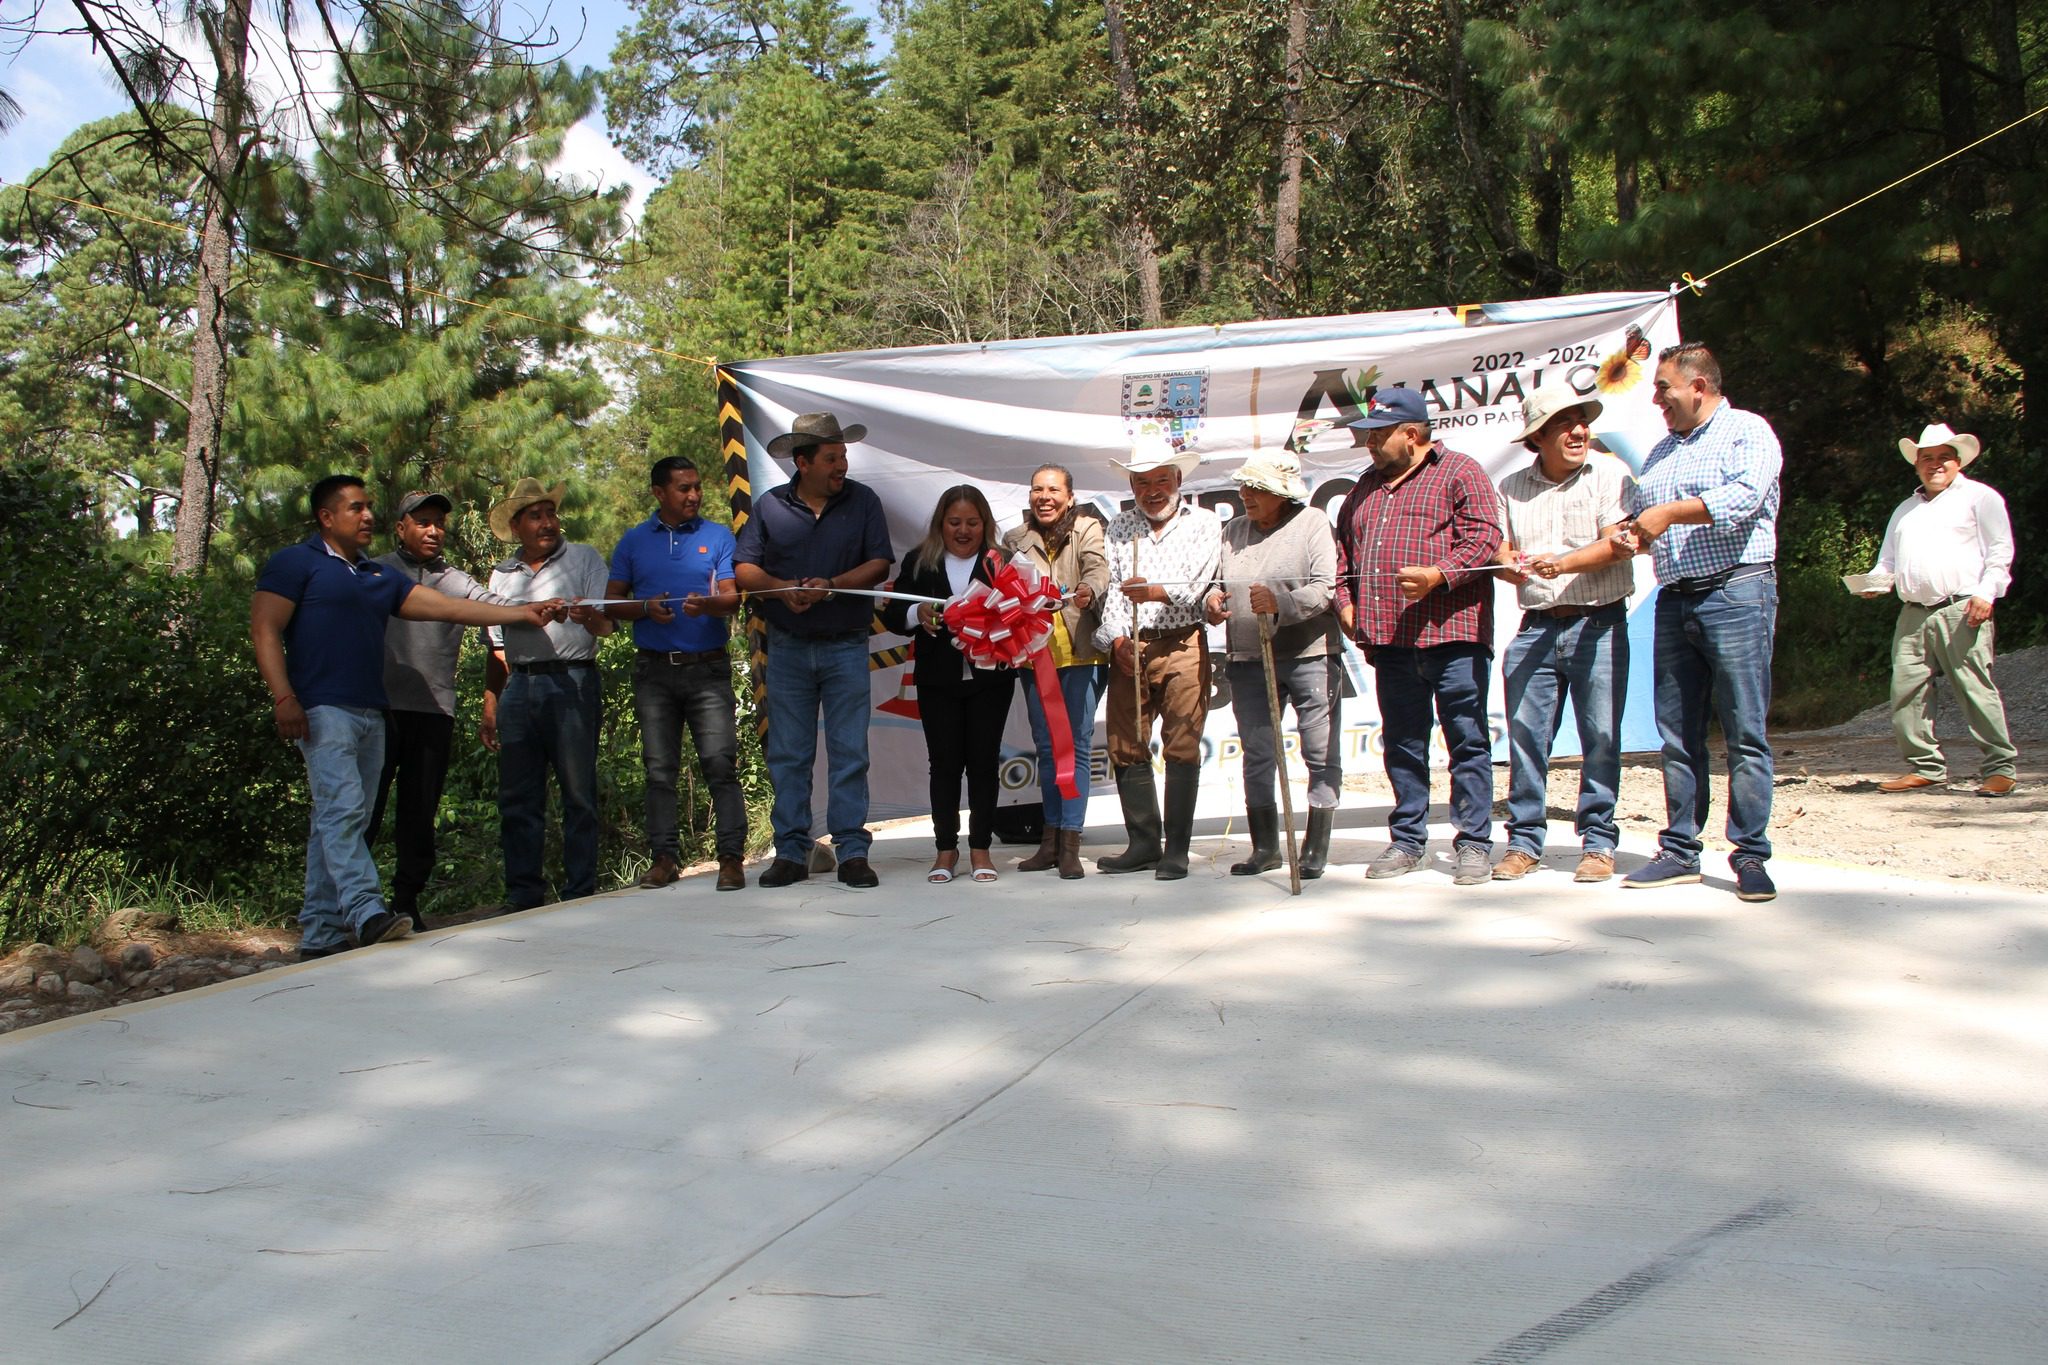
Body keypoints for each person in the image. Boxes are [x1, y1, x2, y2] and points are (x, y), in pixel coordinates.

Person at [251, 475, 558, 960]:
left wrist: (524, 613)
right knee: (345, 810)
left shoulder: (375, 576)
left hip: (373, 712)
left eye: (369, 506)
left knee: (333, 817)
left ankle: (320, 932)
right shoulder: (296, 563)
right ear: (326, 517)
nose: (366, 515)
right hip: (323, 708)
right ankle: (366, 910)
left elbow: (450, 607)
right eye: (355, 508)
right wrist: (284, 697)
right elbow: (265, 628)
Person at [1618, 341, 1782, 902]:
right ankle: (1681, 850)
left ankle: (1751, 856)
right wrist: (1632, 531)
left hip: (1738, 590)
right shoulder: (1660, 451)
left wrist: (1667, 513)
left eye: (1663, 387)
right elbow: (1646, 518)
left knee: (1745, 731)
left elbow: (1745, 497)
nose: (1657, 399)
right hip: (1675, 597)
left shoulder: (1748, 432)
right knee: (1677, 733)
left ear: (1698, 386)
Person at [1332, 386, 1504, 887]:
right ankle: (1408, 840)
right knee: (1403, 742)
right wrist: (1345, 603)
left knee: (1466, 740)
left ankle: (1473, 843)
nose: (1369, 444)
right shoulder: (1364, 487)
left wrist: (1438, 574)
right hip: (1389, 638)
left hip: (1453, 634)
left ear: (1412, 435)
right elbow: (1343, 555)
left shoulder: (1460, 471)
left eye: (1378, 435)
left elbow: (1484, 539)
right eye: (1367, 435)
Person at [733, 412, 894, 889]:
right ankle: (791, 851)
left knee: (849, 752)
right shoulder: (769, 507)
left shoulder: (863, 501)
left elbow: (880, 562)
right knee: (789, 754)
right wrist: (782, 588)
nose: (841, 465)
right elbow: (745, 570)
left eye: (843, 456)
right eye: (831, 457)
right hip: (786, 648)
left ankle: (852, 852)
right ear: (802, 462)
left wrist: (832, 587)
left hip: (846, 644)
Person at [1492, 383, 1637, 884]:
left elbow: (1621, 544)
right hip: (1536, 626)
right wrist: (1507, 565)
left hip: (1599, 620)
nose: (1579, 431)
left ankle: (1598, 844)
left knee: (1601, 736)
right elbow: (1501, 551)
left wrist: (1563, 563)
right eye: (1564, 424)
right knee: (1527, 739)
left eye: (1581, 421)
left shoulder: (1611, 473)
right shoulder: (1510, 488)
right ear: (1538, 437)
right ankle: (1525, 842)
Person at [368, 490, 512, 930]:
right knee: (364, 811)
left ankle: (406, 902)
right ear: (401, 527)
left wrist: (548, 607)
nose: (434, 530)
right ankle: (354, 904)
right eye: (423, 521)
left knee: (419, 812)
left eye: (439, 523)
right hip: (375, 710)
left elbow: (496, 607)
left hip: (433, 711)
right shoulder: (373, 571)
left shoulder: (457, 581)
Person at [604, 457, 748, 894]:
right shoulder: (632, 542)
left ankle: (730, 859)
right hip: (654, 671)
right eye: (683, 488)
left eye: (697, 487)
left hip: (708, 668)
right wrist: (645, 608)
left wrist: (708, 605)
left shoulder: (717, 536)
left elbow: (733, 598)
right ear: (658, 493)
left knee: (720, 763)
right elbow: (610, 603)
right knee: (659, 769)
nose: (694, 496)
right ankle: (665, 858)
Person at [1204, 450, 1342, 879]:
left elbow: (1326, 588)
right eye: (1245, 485)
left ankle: (1315, 847)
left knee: (1319, 751)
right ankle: (1265, 848)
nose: (1246, 494)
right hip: (1247, 656)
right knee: (1258, 754)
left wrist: (1281, 604)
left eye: (1257, 488)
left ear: (1281, 493)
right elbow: (1215, 581)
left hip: (1309, 654)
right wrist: (1211, 599)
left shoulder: (1312, 522)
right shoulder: (1233, 531)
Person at [1861, 422, 2017, 798]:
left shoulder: (1981, 498)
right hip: (1914, 611)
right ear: (1916, 464)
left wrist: (1987, 593)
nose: (1935, 464)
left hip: (1963, 605)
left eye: (1944, 457)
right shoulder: (1905, 509)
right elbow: (1889, 562)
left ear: (1958, 461)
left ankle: (2000, 768)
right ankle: (1925, 767)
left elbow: (2000, 550)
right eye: (1927, 458)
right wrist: (1875, 583)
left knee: (1974, 688)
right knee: (1906, 690)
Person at [481, 477, 614, 911]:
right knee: (518, 795)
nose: (547, 523)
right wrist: (491, 704)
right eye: (535, 516)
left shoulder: (584, 558)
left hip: (573, 679)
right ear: (516, 526)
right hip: (519, 685)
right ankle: (524, 894)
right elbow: (497, 648)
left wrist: (587, 615)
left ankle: (579, 892)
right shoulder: (501, 575)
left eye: (551, 513)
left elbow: (606, 626)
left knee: (578, 791)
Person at [1093, 433, 1222, 881]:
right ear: (1131, 486)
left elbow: (1197, 585)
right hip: (1130, 643)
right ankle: (1144, 843)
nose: (1152, 490)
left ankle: (1178, 850)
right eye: (1142, 481)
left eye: (1161, 480)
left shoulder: (1205, 523)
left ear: (1178, 478)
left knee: (1182, 743)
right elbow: (1112, 593)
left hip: (1182, 640)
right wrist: (1114, 640)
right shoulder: (1119, 527)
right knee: (1125, 743)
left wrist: (1156, 591)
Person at [882, 486, 1017, 884]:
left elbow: (1020, 615)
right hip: (938, 679)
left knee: (983, 763)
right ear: (941, 523)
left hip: (990, 679)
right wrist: (915, 611)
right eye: (954, 522)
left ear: (985, 524)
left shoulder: (1002, 562)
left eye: (972, 523)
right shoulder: (919, 562)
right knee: (943, 765)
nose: (963, 531)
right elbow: (892, 616)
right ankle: (945, 849)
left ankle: (980, 849)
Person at [1000, 464, 1109, 880]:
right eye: (1036, 490)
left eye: (1052, 490)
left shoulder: (1088, 528)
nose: (1043, 497)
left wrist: (1089, 589)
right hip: (1034, 655)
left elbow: (1097, 569)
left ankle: (1070, 842)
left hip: (1081, 653)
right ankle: (1048, 842)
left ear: (1069, 496)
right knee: (1047, 748)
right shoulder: (1014, 539)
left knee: (1076, 746)